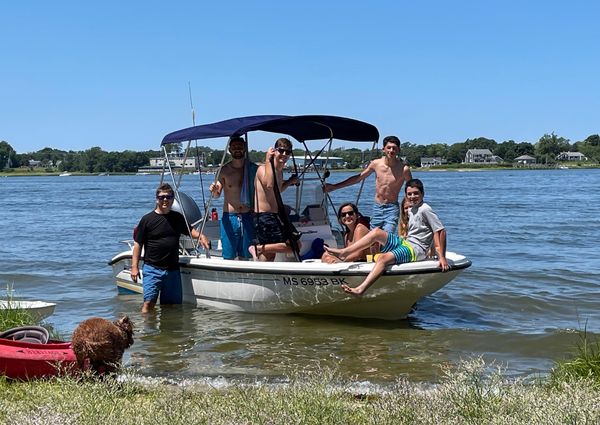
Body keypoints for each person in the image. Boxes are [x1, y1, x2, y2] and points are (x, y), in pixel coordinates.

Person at [324, 179, 449, 296]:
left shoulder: (425, 209)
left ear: (422, 194)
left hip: (415, 250)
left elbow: (440, 231)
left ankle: (360, 289)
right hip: (406, 243)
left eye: (416, 193)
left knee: (383, 258)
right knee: (377, 232)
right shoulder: (412, 210)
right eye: (409, 194)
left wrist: (441, 257)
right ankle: (345, 252)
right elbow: (426, 232)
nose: (412, 197)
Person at [131, 183, 209, 313]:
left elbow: (190, 231)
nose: (165, 200)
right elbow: (138, 244)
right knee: (148, 304)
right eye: (162, 197)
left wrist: (201, 236)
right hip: (152, 269)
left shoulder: (177, 218)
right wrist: (134, 267)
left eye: (168, 197)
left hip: (172, 270)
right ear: (157, 199)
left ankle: (168, 332)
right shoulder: (147, 220)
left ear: (173, 199)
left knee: (171, 307)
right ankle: (147, 331)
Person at [323, 135, 412, 234]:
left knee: (388, 234)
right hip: (377, 206)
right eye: (389, 148)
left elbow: (411, 190)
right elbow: (358, 178)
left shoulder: (404, 169)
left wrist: (409, 208)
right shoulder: (376, 164)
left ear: (398, 149)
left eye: (394, 148)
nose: (391, 150)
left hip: (392, 208)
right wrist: (334, 187)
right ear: (383, 149)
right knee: (372, 238)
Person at [249, 137, 299, 261]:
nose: (284, 154)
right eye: (281, 151)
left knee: (270, 253)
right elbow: (269, 184)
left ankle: (264, 275)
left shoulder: (279, 171)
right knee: (294, 246)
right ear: (274, 151)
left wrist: (289, 182)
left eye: (288, 152)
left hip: (276, 214)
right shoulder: (263, 169)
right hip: (264, 216)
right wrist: (268, 160)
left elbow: (277, 189)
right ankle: (257, 248)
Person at [209, 136, 258, 260]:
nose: (237, 149)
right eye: (234, 147)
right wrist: (214, 190)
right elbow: (217, 194)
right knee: (229, 255)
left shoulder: (253, 169)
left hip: (248, 216)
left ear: (245, 149)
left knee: (247, 255)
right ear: (230, 150)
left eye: (240, 147)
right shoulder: (224, 170)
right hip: (230, 217)